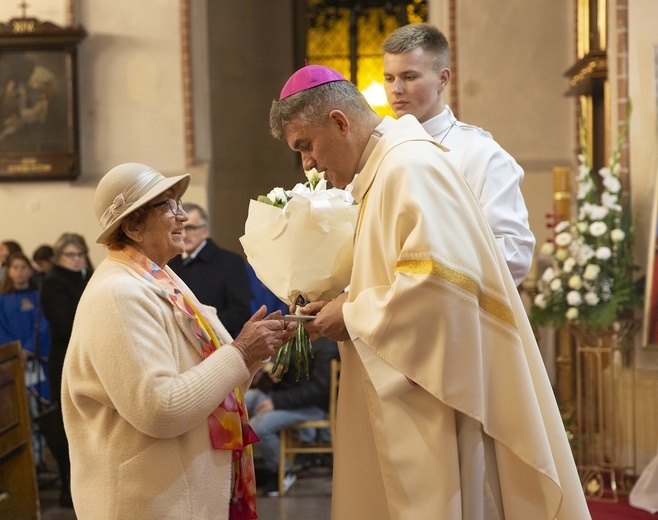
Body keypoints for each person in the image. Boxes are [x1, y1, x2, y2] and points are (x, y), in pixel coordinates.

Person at [269, 65, 590, 519]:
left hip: (435, 401)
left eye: (307, 146)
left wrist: (353, 316)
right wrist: (344, 301)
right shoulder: (384, 171)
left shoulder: (410, 167)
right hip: (405, 387)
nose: (306, 164)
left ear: (340, 122)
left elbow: (440, 287)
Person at [61, 162, 297, 520]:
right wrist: (240, 351)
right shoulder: (118, 294)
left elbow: (208, 385)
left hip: (179, 497)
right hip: (145, 503)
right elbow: (160, 410)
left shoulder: (159, 277)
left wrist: (257, 350)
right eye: (169, 206)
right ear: (133, 226)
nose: (183, 216)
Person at [381, 23, 535, 286]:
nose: (396, 89)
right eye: (389, 78)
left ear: (443, 79)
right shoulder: (380, 150)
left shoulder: (481, 155)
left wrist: (430, 282)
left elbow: (514, 252)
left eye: (409, 77)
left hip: (451, 313)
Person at [245, 337, 339, 496]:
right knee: (240, 399)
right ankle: (234, 471)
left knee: (257, 427)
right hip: (285, 397)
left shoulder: (328, 343)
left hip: (310, 406)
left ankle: (282, 472)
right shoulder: (296, 338)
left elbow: (319, 391)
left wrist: (275, 401)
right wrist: (267, 373)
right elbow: (282, 379)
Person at [40, 232, 93, 508]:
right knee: (67, 423)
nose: (76, 260)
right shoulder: (53, 283)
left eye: (80, 254)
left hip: (92, 354)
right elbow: (64, 324)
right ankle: (68, 486)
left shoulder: (90, 276)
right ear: (59, 257)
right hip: (66, 357)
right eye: (70, 255)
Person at [168, 202, 252, 338]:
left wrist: (200, 325)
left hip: (218, 343)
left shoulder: (230, 262)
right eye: (180, 228)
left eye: (190, 228)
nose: (184, 234)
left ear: (205, 231)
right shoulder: (169, 263)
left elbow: (240, 313)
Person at [0, 251, 51, 464]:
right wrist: (15, 352)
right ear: (8, 272)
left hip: (37, 361)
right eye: (15, 268)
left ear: (30, 271)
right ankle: (28, 464)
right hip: (13, 364)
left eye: (23, 267)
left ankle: (40, 459)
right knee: (22, 414)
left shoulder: (40, 296)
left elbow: (45, 327)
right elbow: (1, 330)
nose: (20, 272)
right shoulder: (2, 301)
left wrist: (28, 350)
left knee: (40, 413)